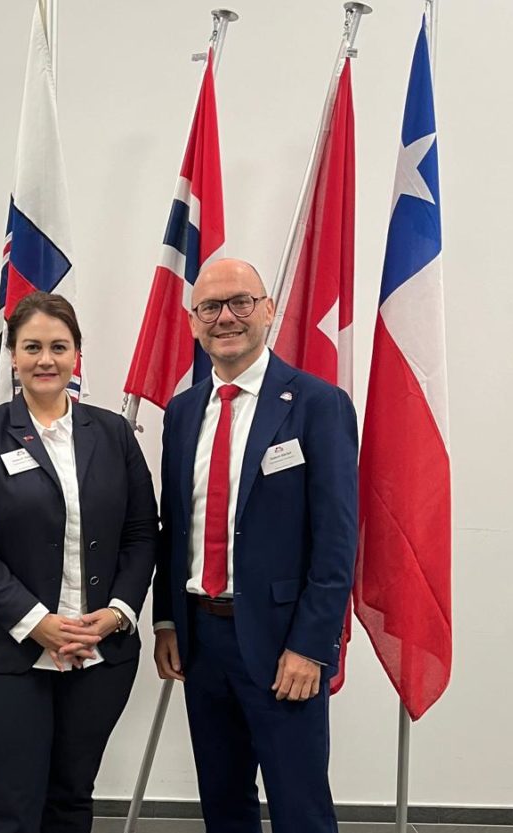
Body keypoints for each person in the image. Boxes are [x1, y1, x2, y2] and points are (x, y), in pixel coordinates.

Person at [0, 291, 157, 833]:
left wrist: (118, 613)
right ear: (12, 354)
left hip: (98, 656)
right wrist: (37, 621)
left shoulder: (113, 434)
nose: (46, 359)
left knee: (72, 801)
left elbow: (141, 534)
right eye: (32, 346)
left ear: (77, 355)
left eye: (59, 347)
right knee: (13, 808)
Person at [153, 258, 357, 833]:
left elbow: (337, 539)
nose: (226, 317)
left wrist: (311, 646)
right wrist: (167, 620)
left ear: (268, 310)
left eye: (241, 302)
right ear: (193, 322)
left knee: (300, 809)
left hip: (283, 643)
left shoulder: (317, 404)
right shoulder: (182, 412)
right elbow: (175, 526)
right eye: (210, 307)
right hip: (201, 639)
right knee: (223, 806)